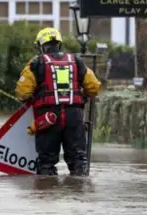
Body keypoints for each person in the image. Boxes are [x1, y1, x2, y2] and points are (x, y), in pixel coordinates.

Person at [15, 27, 101, 176]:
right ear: (59, 44)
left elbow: (23, 92)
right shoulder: (76, 61)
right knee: (78, 159)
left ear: (41, 46)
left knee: (46, 162)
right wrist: (84, 96)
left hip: (48, 118)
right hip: (74, 117)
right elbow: (93, 87)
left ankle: (48, 192)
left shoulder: (36, 64)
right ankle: (79, 191)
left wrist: (34, 99)